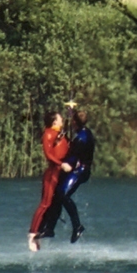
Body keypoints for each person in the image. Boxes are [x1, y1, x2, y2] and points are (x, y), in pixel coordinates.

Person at [40, 107, 97, 243]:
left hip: (80, 171)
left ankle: (77, 226)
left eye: (72, 121)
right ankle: (49, 228)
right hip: (78, 169)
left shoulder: (82, 138)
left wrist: (61, 162)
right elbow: (73, 148)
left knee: (63, 194)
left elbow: (72, 156)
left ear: (75, 123)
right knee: (57, 195)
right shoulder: (82, 133)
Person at [27, 111, 72, 252]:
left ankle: (44, 230)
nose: (62, 120)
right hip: (53, 173)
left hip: (60, 173)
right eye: (60, 119)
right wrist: (61, 164)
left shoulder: (60, 133)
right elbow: (48, 154)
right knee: (45, 203)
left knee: (55, 204)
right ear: (54, 122)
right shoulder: (48, 134)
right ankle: (32, 233)